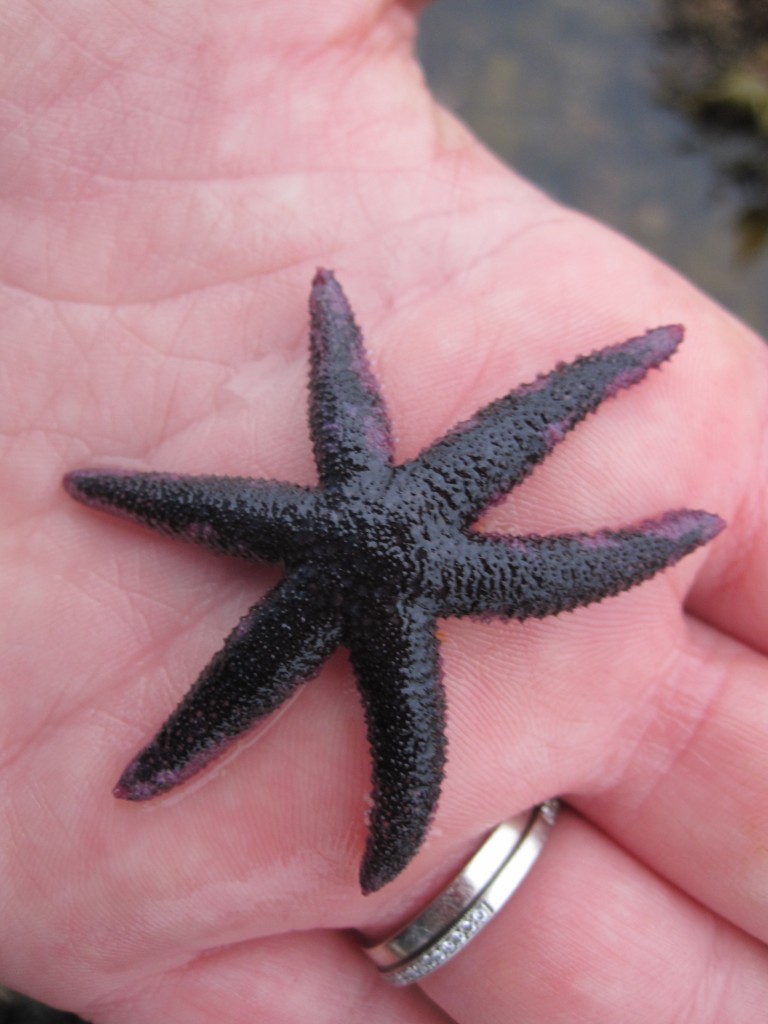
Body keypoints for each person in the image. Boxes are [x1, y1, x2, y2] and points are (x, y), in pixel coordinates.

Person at [2, 2, 766, 1020]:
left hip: (362, 549)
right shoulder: (402, 542)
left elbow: (405, 418)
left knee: (358, 681)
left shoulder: (373, 522)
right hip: (375, 556)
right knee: (359, 681)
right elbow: (508, 479)